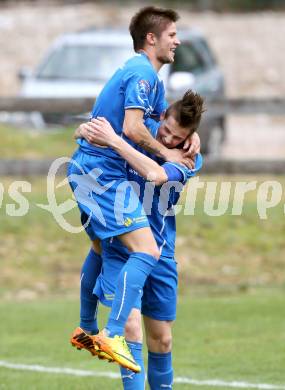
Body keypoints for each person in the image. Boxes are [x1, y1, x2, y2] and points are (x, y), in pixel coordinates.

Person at [68, 6, 200, 373]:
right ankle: (110, 333)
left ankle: (87, 327)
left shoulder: (147, 78)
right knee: (147, 250)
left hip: (91, 171)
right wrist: (165, 153)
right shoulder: (143, 71)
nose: (178, 40)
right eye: (172, 34)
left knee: (98, 245)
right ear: (152, 38)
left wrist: (192, 136)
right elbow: (133, 129)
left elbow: (163, 120)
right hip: (102, 173)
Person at [73, 90, 204, 389]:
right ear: (160, 118)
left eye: (177, 137)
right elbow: (85, 134)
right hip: (122, 246)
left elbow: (155, 174)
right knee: (129, 328)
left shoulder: (188, 159)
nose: (168, 139)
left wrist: (116, 142)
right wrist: (85, 129)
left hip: (161, 250)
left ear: (190, 138)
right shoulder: (139, 133)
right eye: (166, 130)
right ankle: (90, 327)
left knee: (162, 339)